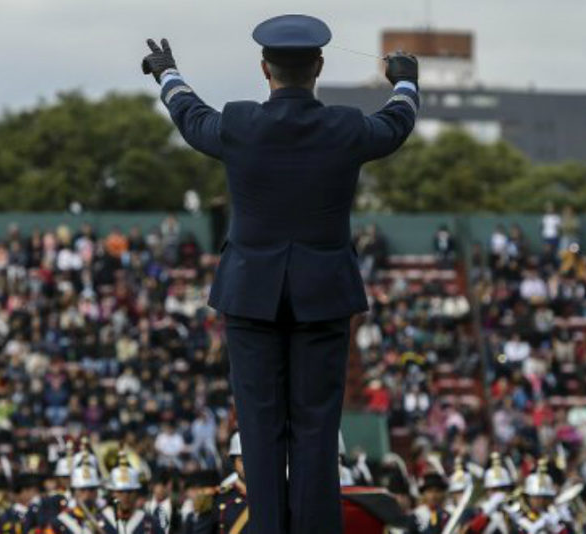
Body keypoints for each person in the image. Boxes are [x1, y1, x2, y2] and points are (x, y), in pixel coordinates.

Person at [141, 13, 418, 534]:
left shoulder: (241, 121)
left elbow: (190, 116)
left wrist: (167, 73)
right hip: (324, 295)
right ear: (318, 66)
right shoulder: (345, 125)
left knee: (261, 428)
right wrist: (405, 79)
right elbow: (397, 122)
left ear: (264, 68)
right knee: (316, 428)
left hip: (250, 295)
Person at [192, 433, 249, 534]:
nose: (249, 465)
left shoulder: (272, 495)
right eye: (242, 460)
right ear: (233, 463)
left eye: (253, 460)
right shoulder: (218, 498)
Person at [101, 451, 162, 534]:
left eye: (130, 491)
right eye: (121, 491)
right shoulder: (100, 521)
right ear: (112, 493)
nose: (126, 496)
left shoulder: (150, 524)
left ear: (136, 493)